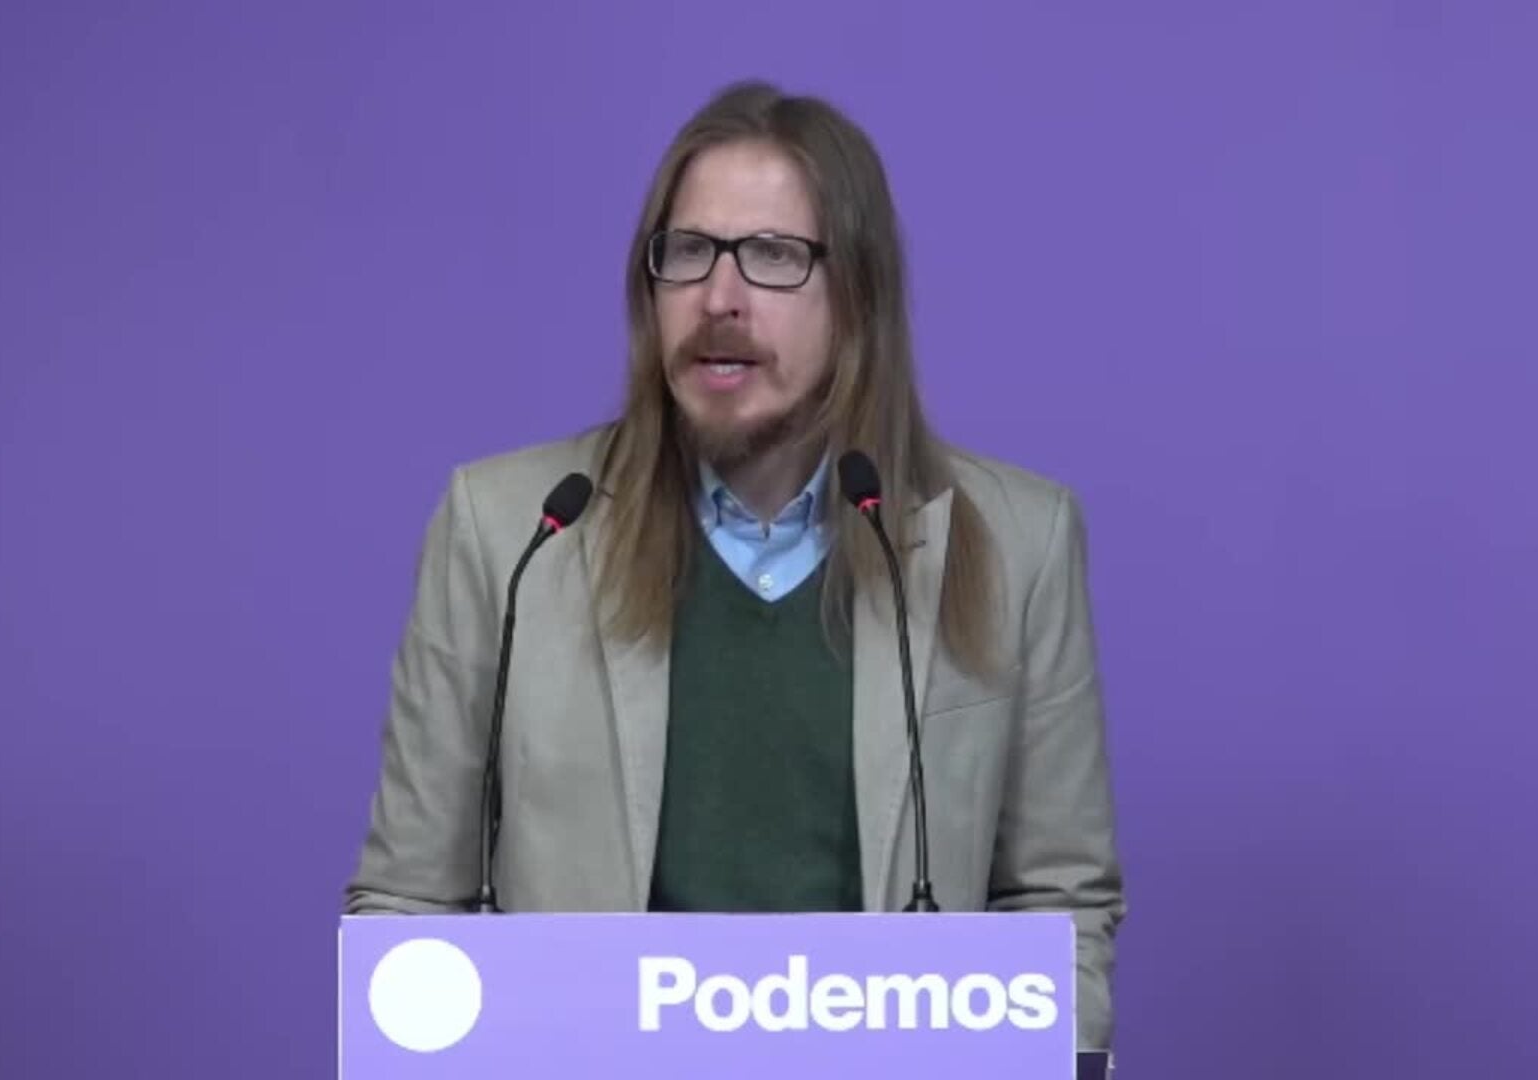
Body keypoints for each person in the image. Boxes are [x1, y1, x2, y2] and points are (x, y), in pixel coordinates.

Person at [344, 79, 1127, 1049]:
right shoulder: (510, 531)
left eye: (773, 256)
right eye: (688, 252)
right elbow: (409, 907)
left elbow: (1057, 907)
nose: (719, 298)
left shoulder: (1017, 538)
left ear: (860, 296)